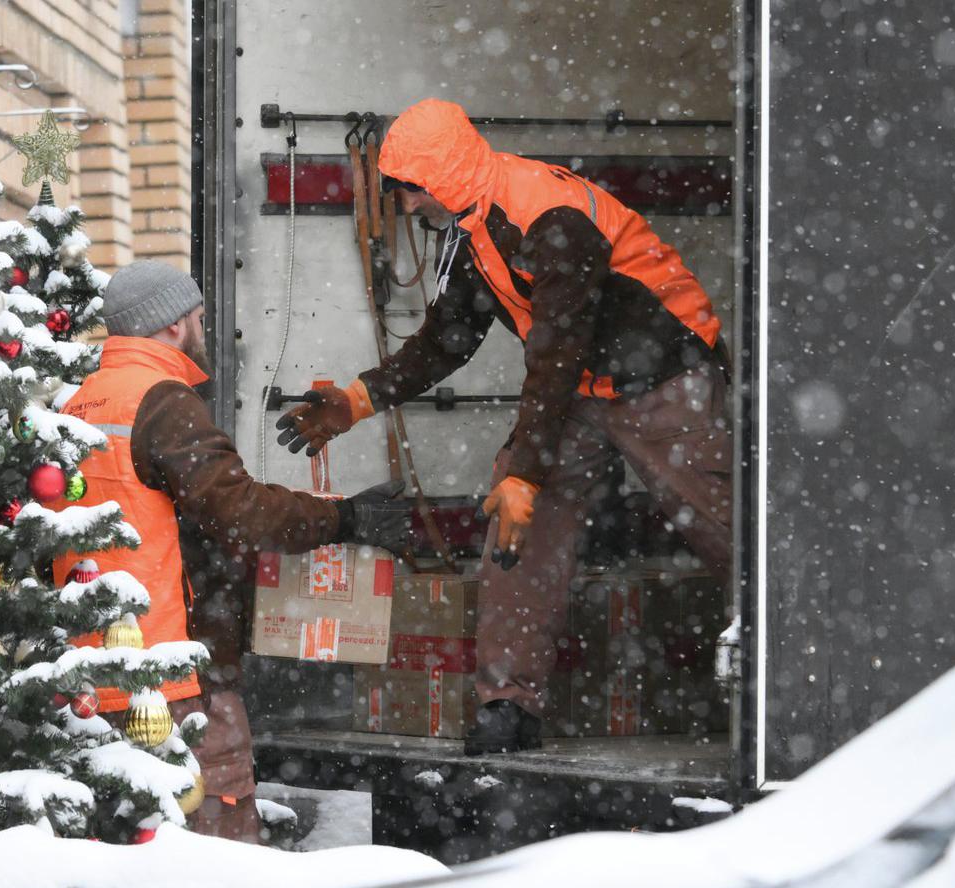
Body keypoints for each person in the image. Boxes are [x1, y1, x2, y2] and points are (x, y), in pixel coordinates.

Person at [276, 99, 731, 755]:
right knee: (517, 525)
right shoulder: (475, 225)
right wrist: (355, 400)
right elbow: (448, 339)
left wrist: (526, 471)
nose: (407, 208)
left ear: (444, 175)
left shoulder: (549, 220)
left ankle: (788, 667)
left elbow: (556, 352)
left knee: (717, 521)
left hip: (665, 375)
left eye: (411, 192)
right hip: (580, 383)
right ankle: (509, 706)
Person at [53, 260, 411, 838]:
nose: (202, 328)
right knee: (218, 839)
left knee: (130, 842)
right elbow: (238, 511)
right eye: (197, 316)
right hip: (176, 670)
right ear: (171, 325)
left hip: (98, 665)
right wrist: (346, 516)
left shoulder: (83, 403)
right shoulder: (163, 402)